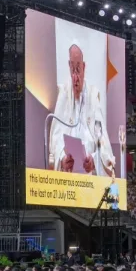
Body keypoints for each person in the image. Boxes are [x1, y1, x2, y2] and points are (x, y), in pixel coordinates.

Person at [48, 43, 115, 176]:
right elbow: (56, 137)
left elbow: (101, 138)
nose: (75, 75)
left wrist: (94, 159)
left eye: (78, 68)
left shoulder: (92, 95)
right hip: (69, 173)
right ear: (68, 66)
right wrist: (62, 158)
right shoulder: (63, 93)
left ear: (84, 67)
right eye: (72, 68)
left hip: (89, 172)